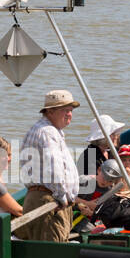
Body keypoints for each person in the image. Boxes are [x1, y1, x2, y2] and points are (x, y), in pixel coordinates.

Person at [18, 89, 82, 242]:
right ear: (50, 112)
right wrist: (62, 197)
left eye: (71, 110)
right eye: (65, 110)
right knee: (52, 248)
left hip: (44, 198)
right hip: (49, 200)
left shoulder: (45, 130)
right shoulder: (48, 133)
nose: (69, 114)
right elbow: (54, 168)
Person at [79, 114, 126, 192]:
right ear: (102, 137)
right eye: (112, 134)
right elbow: (95, 182)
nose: (116, 137)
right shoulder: (89, 155)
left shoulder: (112, 151)